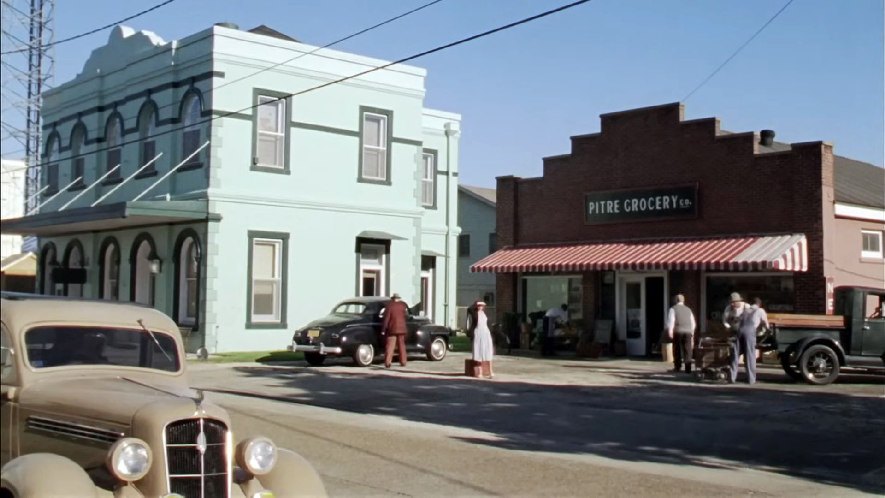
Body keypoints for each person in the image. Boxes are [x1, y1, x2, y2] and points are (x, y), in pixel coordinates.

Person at [730, 297, 770, 385]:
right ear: (759, 304)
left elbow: (736, 321)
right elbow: (765, 323)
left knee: (736, 355)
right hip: (750, 332)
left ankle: (732, 377)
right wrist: (768, 331)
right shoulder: (760, 310)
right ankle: (751, 379)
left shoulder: (746, 310)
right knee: (750, 355)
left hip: (739, 331)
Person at [666, 294, 697, 373]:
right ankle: (688, 368)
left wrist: (670, 331)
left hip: (678, 331)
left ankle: (677, 366)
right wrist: (692, 332)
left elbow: (671, 321)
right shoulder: (688, 309)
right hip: (688, 332)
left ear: (676, 300)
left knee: (677, 349)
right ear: (683, 301)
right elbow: (693, 323)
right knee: (688, 350)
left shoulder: (673, 309)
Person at [466, 300, 495, 378]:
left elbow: (488, 323)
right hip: (478, 332)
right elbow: (469, 309)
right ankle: (480, 372)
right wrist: (476, 303)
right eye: (479, 306)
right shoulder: (474, 313)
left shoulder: (485, 314)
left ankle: (490, 372)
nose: (480, 307)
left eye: (481, 306)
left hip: (486, 333)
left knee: (488, 351)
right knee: (479, 351)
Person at [381, 293, 409, 368]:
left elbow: (386, 318)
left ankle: (388, 363)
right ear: (399, 298)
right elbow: (406, 316)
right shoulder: (403, 305)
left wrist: (383, 329)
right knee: (402, 346)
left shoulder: (389, 306)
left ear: (393, 299)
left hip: (392, 329)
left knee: (390, 346)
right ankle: (403, 361)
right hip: (402, 329)